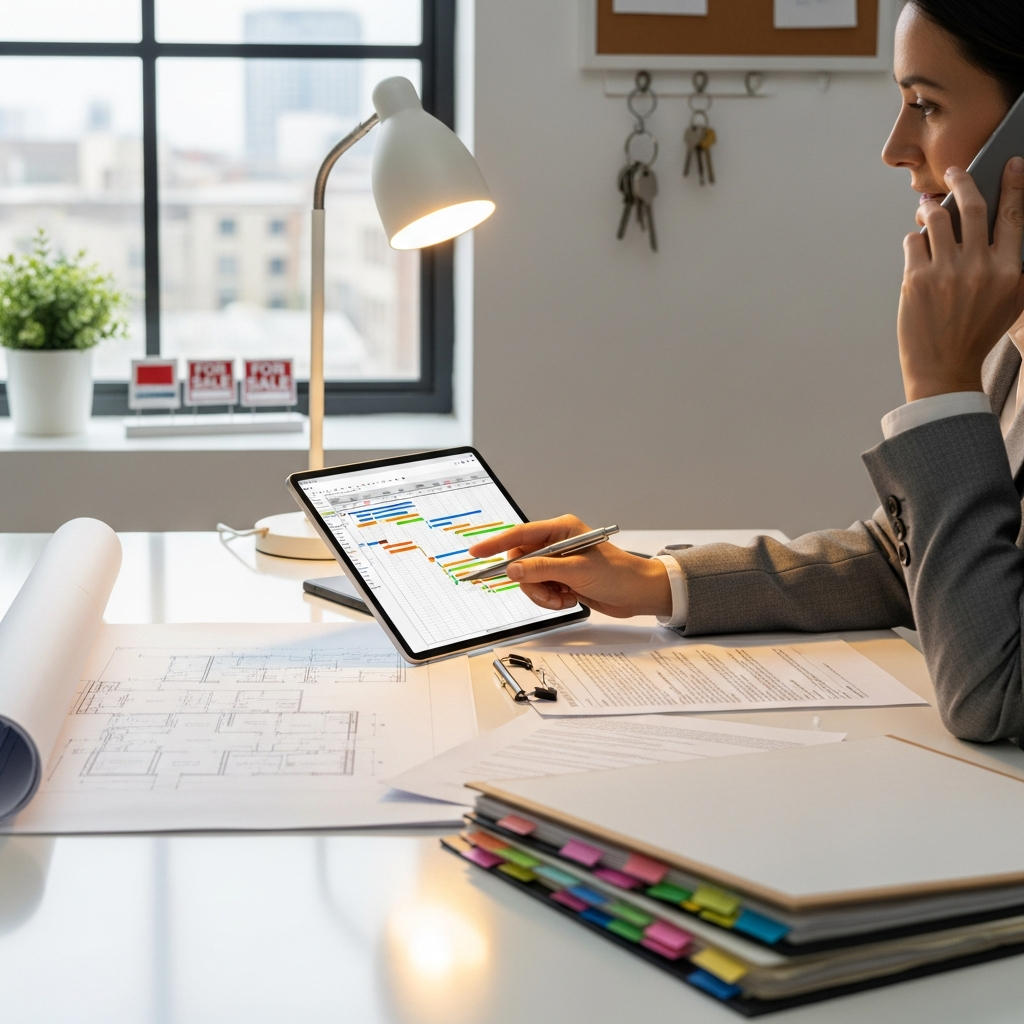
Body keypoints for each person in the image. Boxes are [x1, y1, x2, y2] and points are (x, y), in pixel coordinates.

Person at [469, 0, 1024, 744]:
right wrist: (653, 580)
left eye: (924, 105)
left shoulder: (978, 351)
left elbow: (997, 690)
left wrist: (941, 387)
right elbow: (922, 554)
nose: (894, 148)